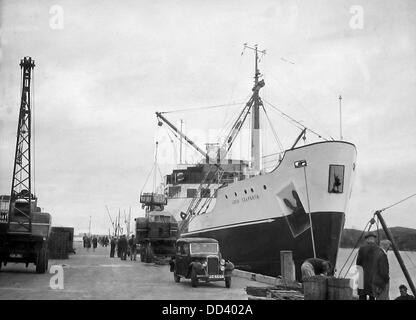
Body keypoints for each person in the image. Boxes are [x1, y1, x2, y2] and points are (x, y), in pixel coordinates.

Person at [356, 231, 380, 300]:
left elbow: (358, 263)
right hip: (373, 277)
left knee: (362, 296)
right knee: (372, 296)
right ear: (374, 239)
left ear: (367, 239)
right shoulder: (378, 249)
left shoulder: (362, 249)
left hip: (362, 276)